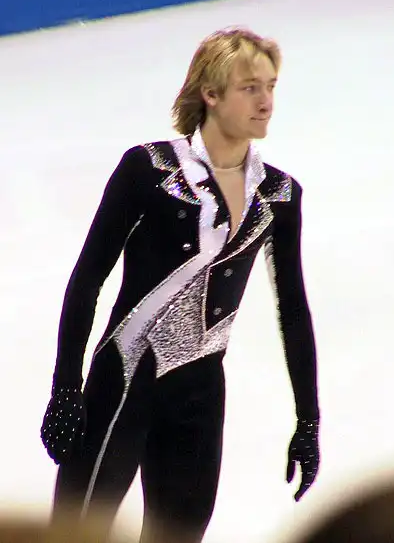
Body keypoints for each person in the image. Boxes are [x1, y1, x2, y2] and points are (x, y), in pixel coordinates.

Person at [40, 27, 320, 543]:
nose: (266, 102)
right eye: (250, 88)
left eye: (271, 86)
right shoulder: (148, 169)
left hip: (199, 394)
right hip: (123, 383)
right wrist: (65, 387)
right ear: (210, 93)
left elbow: (294, 310)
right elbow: (87, 278)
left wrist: (308, 420)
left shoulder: (279, 195)